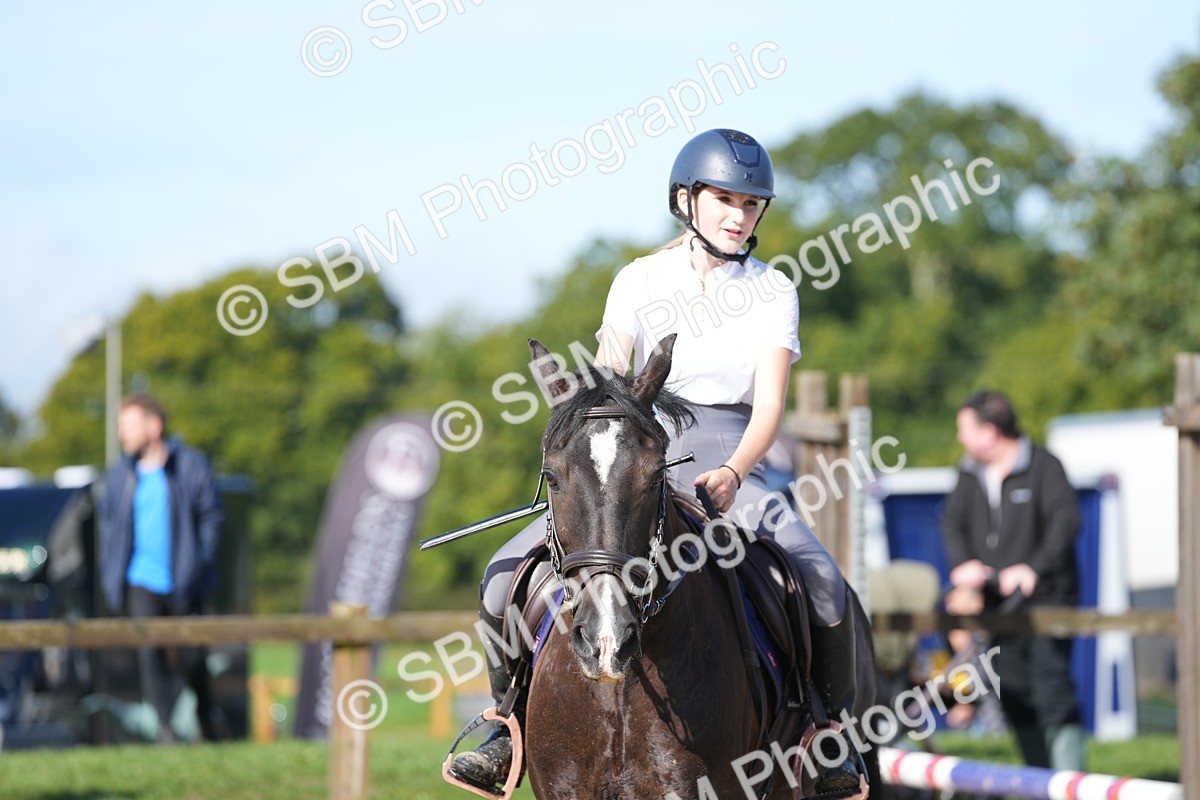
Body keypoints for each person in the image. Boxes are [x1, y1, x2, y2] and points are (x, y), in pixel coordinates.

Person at [450, 129, 867, 796]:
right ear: (686, 200)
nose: (739, 216)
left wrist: (733, 472)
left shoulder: (773, 289)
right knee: (501, 577)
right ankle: (505, 726)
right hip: (633, 460)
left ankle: (829, 738)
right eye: (725, 199)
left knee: (821, 580)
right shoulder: (638, 279)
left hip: (731, 461)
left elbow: (768, 410)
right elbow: (609, 383)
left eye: (751, 204)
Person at [940, 390, 1086, 770]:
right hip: (998, 606)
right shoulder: (968, 473)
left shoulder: (1044, 467)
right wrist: (965, 564)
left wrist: (1032, 568)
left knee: (1051, 687)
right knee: (1011, 689)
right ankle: (1039, 781)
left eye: (964, 429)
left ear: (989, 431)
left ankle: (1069, 780)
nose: (960, 438)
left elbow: (1066, 523)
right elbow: (952, 523)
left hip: (1048, 600)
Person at [98, 393, 226, 743]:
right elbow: (109, 527)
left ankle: (206, 720)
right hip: (141, 580)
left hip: (185, 579)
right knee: (150, 653)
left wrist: (199, 563)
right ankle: (165, 730)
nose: (122, 434)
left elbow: (211, 517)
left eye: (129, 425)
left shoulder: (191, 466)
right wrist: (112, 573)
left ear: (154, 426)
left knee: (192, 655)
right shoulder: (119, 475)